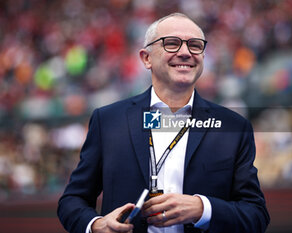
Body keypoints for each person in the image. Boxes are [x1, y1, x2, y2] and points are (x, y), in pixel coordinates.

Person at [57, 12, 270, 233]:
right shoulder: (108, 121)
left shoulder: (233, 127)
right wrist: (96, 225)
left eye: (195, 45)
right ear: (146, 58)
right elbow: (72, 200)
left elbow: (256, 215)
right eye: (172, 44)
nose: (186, 52)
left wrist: (202, 209)